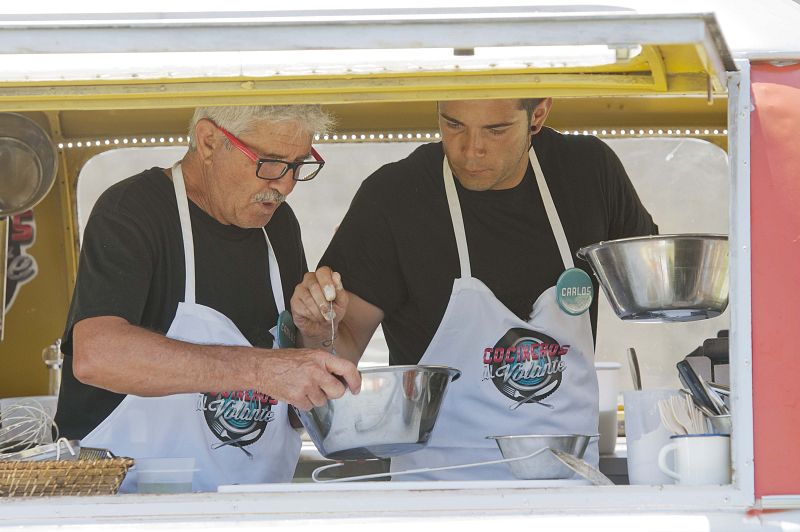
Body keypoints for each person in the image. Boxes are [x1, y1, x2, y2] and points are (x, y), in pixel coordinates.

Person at [291, 98, 657, 480]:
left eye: (495, 130)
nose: (470, 150)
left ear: (538, 115)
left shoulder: (589, 172)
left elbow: (649, 288)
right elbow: (339, 349)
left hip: (569, 485)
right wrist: (316, 328)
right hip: (439, 493)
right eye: (453, 126)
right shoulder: (394, 197)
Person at [54, 105, 361, 492]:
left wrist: (313, 336)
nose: (284, 185)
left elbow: (293, 407)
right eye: (270, 163)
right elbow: (97, 356)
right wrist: (264, 370)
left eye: (298, 165)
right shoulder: (133, 210)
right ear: (209, 141)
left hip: (253, 506)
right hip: (131, 507)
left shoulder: (278, 226)